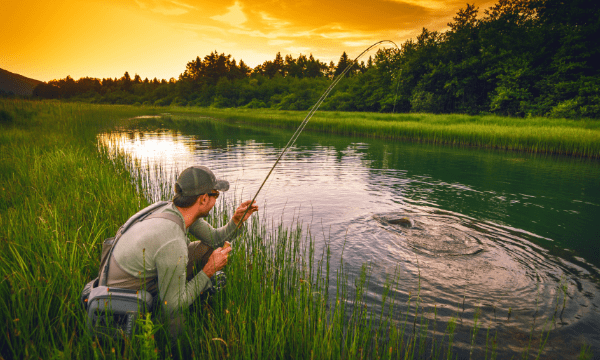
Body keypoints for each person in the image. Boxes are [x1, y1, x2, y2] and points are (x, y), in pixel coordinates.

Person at [99, 165, 258, 333]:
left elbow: (215, 239)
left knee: (207, 248)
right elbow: (171, 306)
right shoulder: (173, 240)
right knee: (177, 318)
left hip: (139, 275)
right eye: (215, 194)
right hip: (127, 296)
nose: (216, 200)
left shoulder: (176, 210)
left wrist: (236, 220)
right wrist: (208, 271)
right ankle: (171, 344)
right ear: (203, 199)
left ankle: (191, 292)